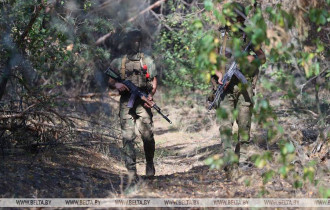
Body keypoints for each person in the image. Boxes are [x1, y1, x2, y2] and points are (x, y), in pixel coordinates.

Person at [211, 2, 266, 174]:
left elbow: (262, 58)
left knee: (244, 126)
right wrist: (219, 73)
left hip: (244, 87)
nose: (234, 21)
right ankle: (229, 162)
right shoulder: (219, 36)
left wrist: (252, 60)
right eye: (231, 17)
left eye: (237, 17)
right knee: (225, 126)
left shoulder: (249, 36)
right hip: (224, 87)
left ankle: (241, 160)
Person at [108, 28, 158, 181]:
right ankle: (131, 171)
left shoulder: (147, 61)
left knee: (148, 135)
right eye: (132, 40)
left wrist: (149, 97)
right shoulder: (118, 62)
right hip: (126, 103)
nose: (135, 44)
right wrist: (117, 85)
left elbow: (154, 82)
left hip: (143, 103)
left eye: (137, 41)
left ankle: (149, 163)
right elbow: (110, 80)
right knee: (128, 137)